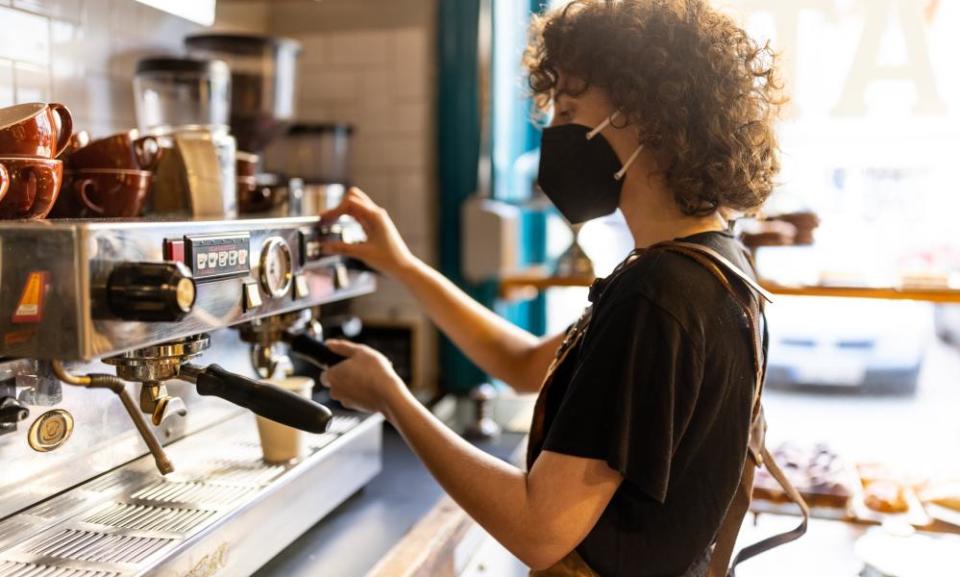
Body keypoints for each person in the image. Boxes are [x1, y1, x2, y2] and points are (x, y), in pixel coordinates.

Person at [318, 0, 784, 575]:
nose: (556, 132)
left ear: (647, 116)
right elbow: (522, 364)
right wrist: (405, 265)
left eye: (568, 108)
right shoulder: (716, 265)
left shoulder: (657, 295)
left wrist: (391, 397)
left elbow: (539, 529)